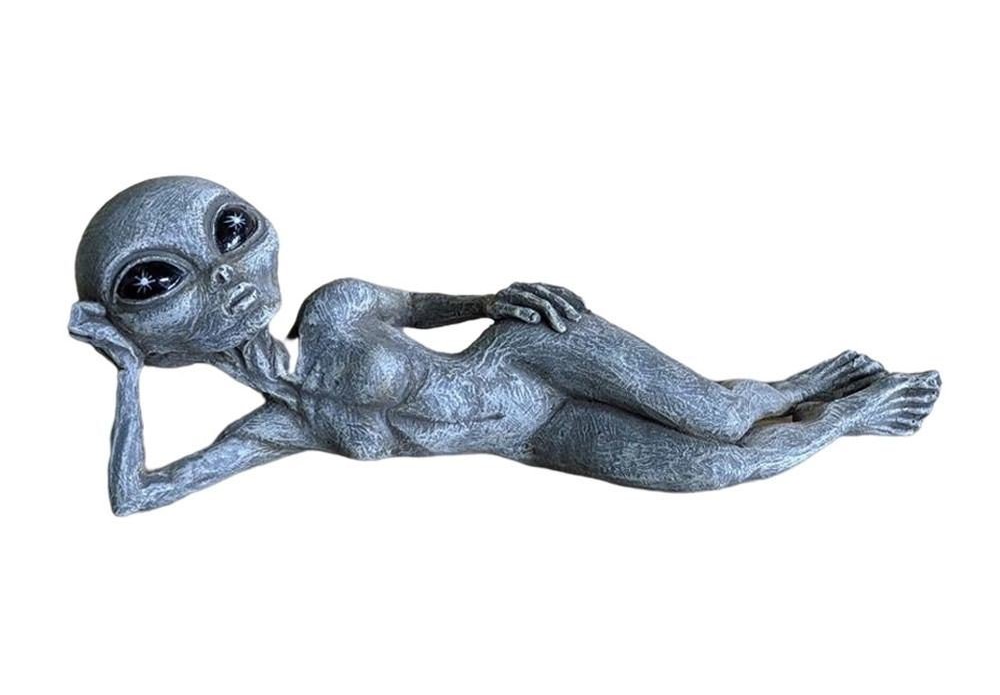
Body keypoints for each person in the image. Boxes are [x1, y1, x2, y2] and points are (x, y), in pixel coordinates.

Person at [69, 176, 940, 515]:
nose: (225, 278)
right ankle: (833, 410)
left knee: (714, 416)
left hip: (527, 356)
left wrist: (491, 299)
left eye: (230, 231)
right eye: (157, 280)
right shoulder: (278, 428)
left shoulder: (335, 309)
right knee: (718, 468)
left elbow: (415, 304)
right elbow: (136, 496)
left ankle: (815, 393)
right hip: (536, 437)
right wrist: (125, 371)